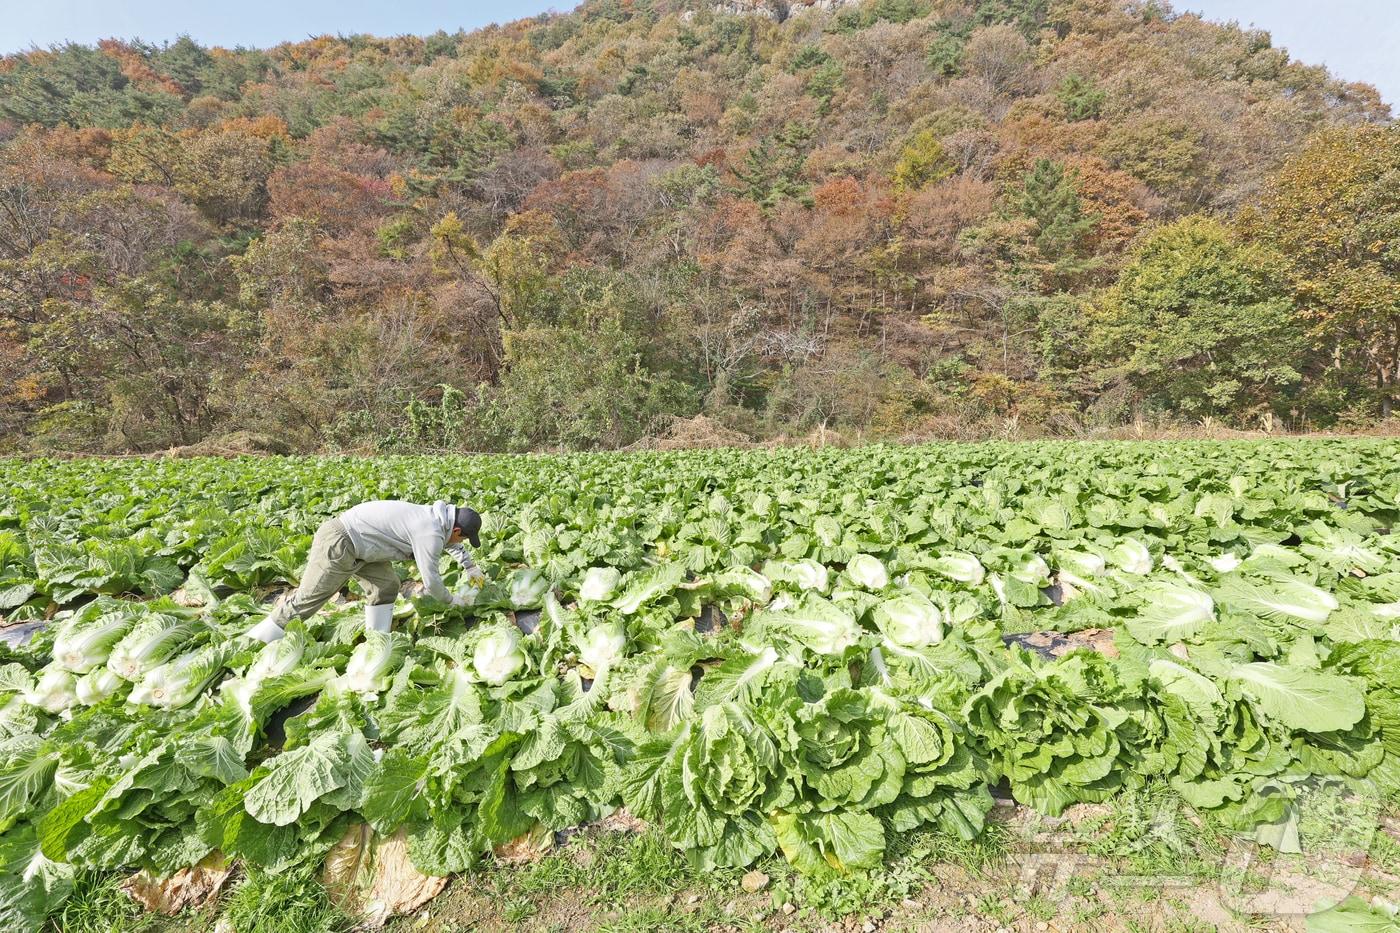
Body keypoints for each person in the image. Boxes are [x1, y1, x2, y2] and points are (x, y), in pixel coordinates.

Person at [244, 500, 483, 642]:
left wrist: (470, 567)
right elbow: (431, 581)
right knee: (309, 598)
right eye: (463, 538)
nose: (460, 542)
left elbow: (449, 542)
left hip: (365, 548)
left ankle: (377, 641)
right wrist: (453, 601)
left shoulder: (438, 519)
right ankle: (256, 643)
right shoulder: (429, 532)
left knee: (387, 586)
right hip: (341, 541)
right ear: (458, 531)